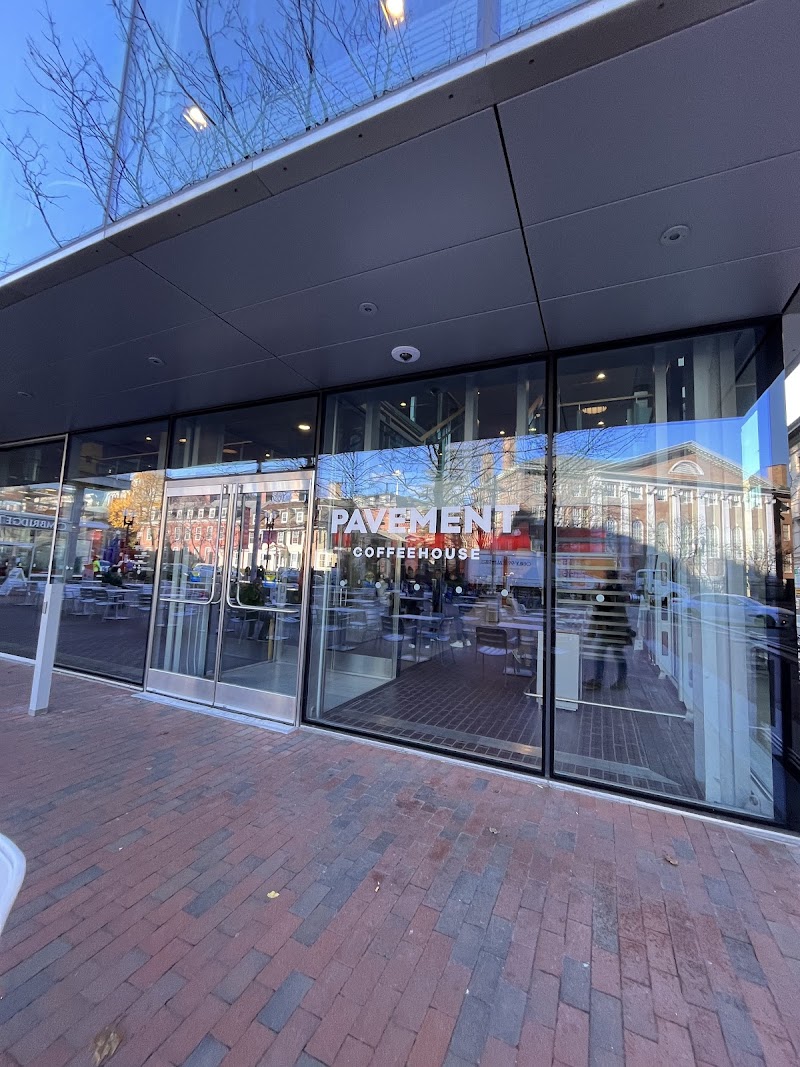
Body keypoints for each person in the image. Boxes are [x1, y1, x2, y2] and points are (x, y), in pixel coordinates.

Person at [584, 568, 632, 691]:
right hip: (617, 629)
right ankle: (619, 681)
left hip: (611, 629)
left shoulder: (609, 591)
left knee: (601, 653)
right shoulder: (618, 590)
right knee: (616, 655)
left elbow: (599, 609)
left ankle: (599, 681)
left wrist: (591, 632)